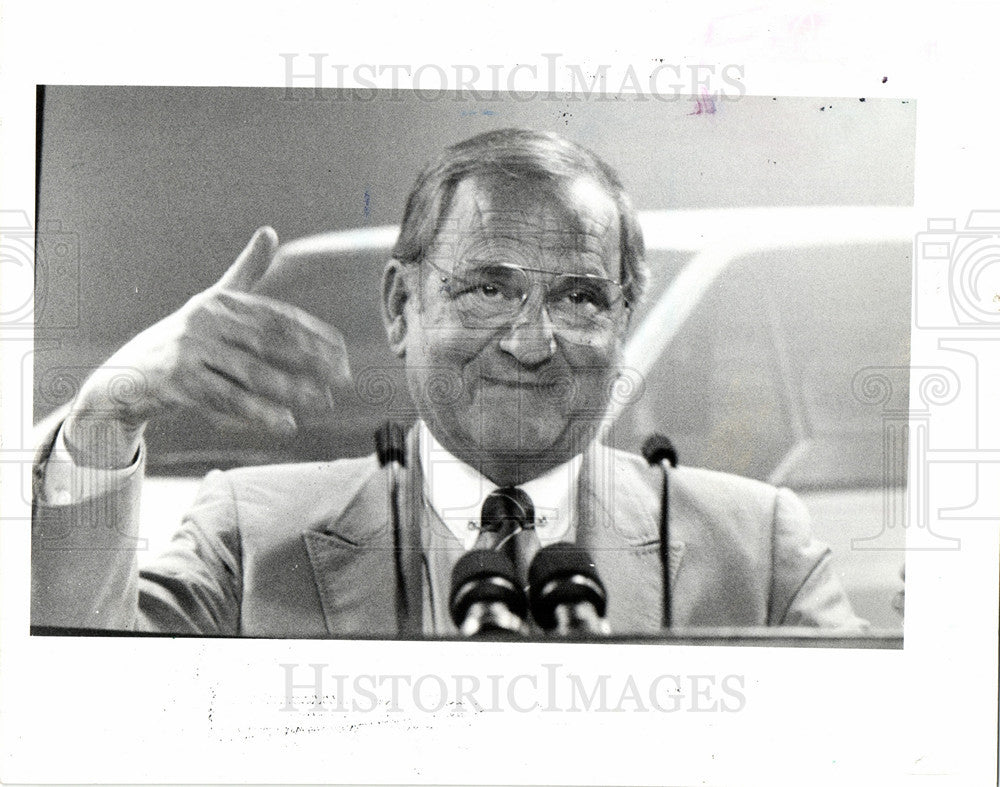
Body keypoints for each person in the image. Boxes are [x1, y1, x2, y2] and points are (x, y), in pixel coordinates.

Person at [30, 128, 865, 636]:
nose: (532, 341)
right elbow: (69, 704)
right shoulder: (248, 536)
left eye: (579, 295)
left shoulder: (759, 551)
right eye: (489, 287)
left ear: (620, 321)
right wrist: (103, 416)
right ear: (401, 306)